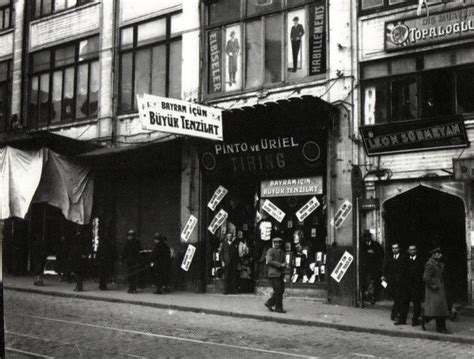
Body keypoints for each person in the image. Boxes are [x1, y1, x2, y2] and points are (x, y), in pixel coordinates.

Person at [421, 247, 450, 334]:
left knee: (439, 310)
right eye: (436, 253)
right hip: (434, 291)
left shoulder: (437, 263)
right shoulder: (430, 264)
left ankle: (424, 319)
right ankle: (441, 328)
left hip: (439, 290)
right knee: (438, 310)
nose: (438, 255)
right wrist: (435, 285)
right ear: (432, 255)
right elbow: (426, 277)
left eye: (439, 253)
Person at [398, 244, 424, 326]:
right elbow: (402, 272)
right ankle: (402, 320)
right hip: (406, 286)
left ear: (416, 251)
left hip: (416, 286)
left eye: (414, 249)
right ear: (408, 251)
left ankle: (415, 321)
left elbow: (421, 273)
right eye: (411, 250)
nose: (412, 251)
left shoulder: (420, 260)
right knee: (404, 302)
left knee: (417, 304)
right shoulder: (405, 260)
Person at [381, 242, 407, 322]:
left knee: (399, 298)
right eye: (393, 248)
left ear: (399, 249)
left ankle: (395, 314)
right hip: (392, 282)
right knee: (396, 298)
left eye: (396, 248)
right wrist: (384, 276)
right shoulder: (390, 258)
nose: (394, 250)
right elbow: (386, 268)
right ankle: (396, 314)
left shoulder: (403, 258)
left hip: (401, 282)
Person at [360, 230, 384, 305]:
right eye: (365, 237)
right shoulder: (361, 245)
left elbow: (381, 254)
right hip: (365, 267)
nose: (367, 238)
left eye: (368, 236)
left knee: (373, 281)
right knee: (367, 281)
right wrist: (367, 253)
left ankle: (372, 297)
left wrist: (374, 253)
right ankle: (368, 296)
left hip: (374, 267)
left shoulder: (376, 244)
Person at [265, 237, 287, 313]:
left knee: (281, 290)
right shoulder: (271, 251)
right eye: (275, 243)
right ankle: (279, 308)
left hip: (280, 274)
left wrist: (285, 263)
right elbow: (269, 261)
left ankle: (270, 303)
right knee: (278, 291)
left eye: (278, 243)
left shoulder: (282, 252)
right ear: (274, 243)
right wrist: (280, 265)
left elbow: (284, 260)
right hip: (273, 274)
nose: (277, 244)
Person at [121, 229, 142, 294]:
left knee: (131, 275)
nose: (129, 237)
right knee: (134, 275)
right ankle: (133, 288)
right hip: (135, 261)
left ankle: (131, 288)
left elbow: (124, 252)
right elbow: (140, 251)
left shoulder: (127, 243)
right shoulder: (137, 242)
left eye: (130, 235)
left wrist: (122, 260)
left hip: (130, 261)